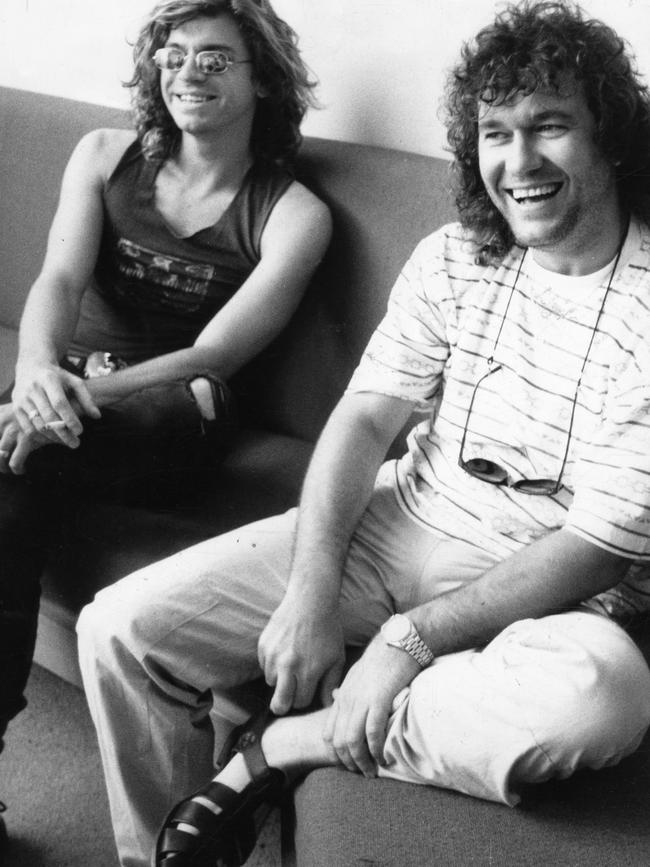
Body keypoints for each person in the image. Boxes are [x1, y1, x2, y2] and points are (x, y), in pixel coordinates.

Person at [78, 2, 650, 865]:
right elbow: (364, 417)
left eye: (551, 126)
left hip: (551, 587)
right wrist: (310, 595)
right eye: (496, 132)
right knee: (117, 628)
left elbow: (597, 548)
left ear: (610, 138)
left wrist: (405, 641)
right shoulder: (456, 255)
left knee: (599, 699)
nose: (519, 160)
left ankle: (282, 748)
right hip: (403, 521)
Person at [0, 0, 331, 848]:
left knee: (19, 448)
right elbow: (59, 281)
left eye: (217, 59)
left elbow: (213, 356)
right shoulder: (105, 155)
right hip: (64, 392)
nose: (190, 73)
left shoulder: (291, 213)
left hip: (175, 414)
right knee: (16, 475)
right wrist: (40, 370)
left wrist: (82, 394)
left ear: (264, 77)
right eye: (174, 55)